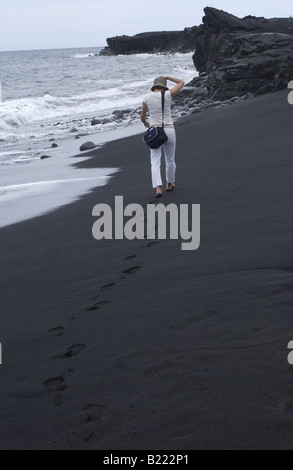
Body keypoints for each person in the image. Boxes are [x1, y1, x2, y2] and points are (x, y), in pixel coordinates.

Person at [141, 76, 185, 197]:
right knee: (170, 159)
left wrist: (145, 122)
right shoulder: (168, 94)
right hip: (169, 129)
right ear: (164, 86)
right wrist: (167, 77)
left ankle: (158, 188)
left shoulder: (146, 98)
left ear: (154, 87)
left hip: (155, 132)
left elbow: (142, 117)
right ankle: (169, 183)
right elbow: (181, 82)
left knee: (155, 160)